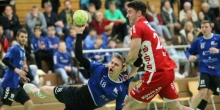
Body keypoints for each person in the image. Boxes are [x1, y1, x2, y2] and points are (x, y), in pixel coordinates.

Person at [23, 24, 143, 110]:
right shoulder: (99, 69)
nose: (112, 65)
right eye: (112, 62)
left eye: (116, 64)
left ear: (122, 69)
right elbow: (79, 56)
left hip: (85, 108)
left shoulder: (121, 88)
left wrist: (142, 49)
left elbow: (119, 107)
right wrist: (79, 33)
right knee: (44, 90)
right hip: (74, 95)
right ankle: (37, 92)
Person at [122, 1, 193, 110]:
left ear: (139, 13)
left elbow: (132, 55)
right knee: (177, 107)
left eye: (130, 12)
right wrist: (132, 71)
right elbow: (140, 56)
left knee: (128, 103)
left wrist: (124, 66)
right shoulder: (147, 26)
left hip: (157, 73)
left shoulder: (137, 27)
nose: (127, 15)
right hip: (167, 71)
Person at [185, 20, 220, 110]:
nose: (204, 29)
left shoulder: (218, 38)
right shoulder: (198, 41)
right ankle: (191, 109)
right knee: (203, 91)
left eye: (206, 27)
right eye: (202, 27)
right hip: (205, 69)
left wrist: (218, 51)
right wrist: (190, 56)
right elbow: (188, 51)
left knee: (208, 94)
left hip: (217, 71)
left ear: (211, 28)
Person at [1, 28, 34, 110]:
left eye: (25, 37)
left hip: (17, 83)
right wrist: (16, 70)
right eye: (22, 37)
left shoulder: (23, 50)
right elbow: (4, 60)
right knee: (5, 107)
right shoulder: (15, 48)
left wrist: (21, 77)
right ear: (17, 38)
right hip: (9, 83)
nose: (24, 39)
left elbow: (17, 67)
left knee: (29, 105)